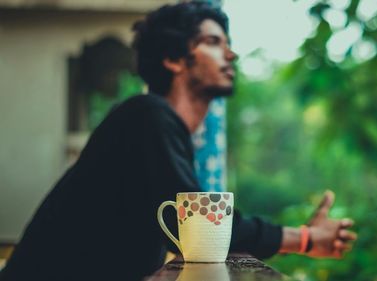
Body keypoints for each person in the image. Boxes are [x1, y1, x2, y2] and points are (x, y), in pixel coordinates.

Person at [0, 2, 356, 281]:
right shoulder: (147, 116)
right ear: (172, 59)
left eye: (228, 45)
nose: (230, 55)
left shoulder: (155, 126)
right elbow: (202, 227)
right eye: (214, 43)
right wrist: (306, 238)